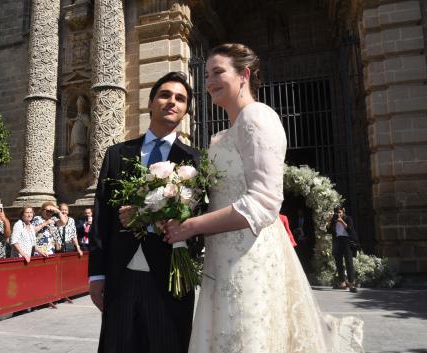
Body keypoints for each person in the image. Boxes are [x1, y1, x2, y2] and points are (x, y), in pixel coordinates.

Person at [161, 44, 364, 352]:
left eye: (218, 72)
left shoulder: (258, 117)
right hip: (222, 260)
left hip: (250, 257)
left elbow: (264, 203)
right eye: (206, 75)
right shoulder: (221, 136)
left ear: (244, 75)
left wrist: (191, 226)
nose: (209, 82)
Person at [89, 71, 200, 353]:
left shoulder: (195, 161)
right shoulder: (117, 153)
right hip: (121, 274)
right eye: (165, 95)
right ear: (151, 103)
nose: (172, 102)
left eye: (180, 99)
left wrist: (170, 221)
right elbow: (102, 215)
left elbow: (200, 221)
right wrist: (96, 275)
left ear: (186, 110)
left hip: (170, 276)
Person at [329, 206, 359, 292]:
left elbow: (350, 229)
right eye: (337, 212)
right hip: (337, 241)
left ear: (343, 212)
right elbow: (329, 231)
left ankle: (351, 283)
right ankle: (342, 283)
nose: (338, 214)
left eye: (340, 212)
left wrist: (341, 221)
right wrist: (329, 220)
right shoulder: (334, 220)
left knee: (349, 262)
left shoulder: (348, 218)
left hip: (347, 241)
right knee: (338, 262)